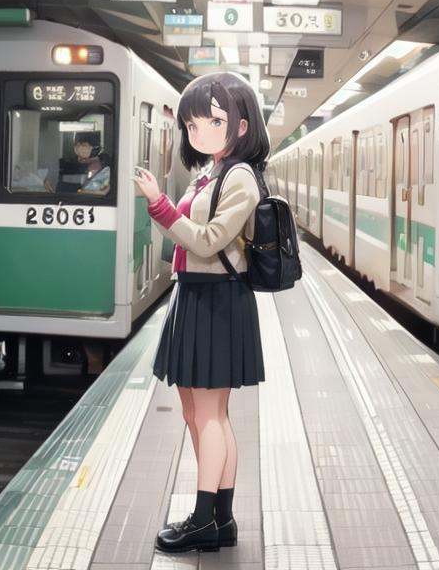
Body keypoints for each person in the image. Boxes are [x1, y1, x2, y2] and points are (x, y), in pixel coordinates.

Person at [132, 72, 270, 555]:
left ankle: (204, 518)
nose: (201, 132)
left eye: (213, 120)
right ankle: (221, 519)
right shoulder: (211, 172)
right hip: (195, 295)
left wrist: (161, 207)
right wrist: (167, 207)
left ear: (241, 123)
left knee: (210, 416)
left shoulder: (241, 178)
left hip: (219, 299)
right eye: (193, 124)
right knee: (198, 413)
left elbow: (210, 240)